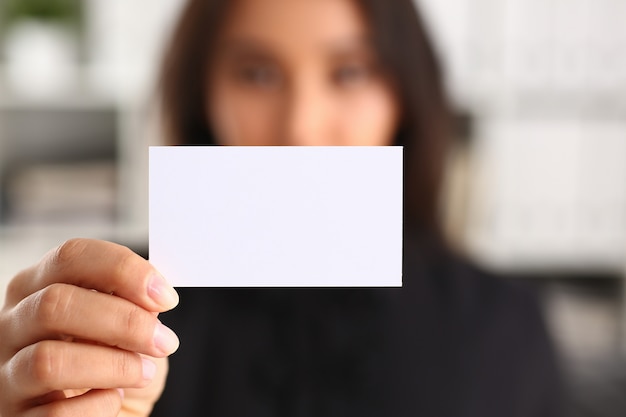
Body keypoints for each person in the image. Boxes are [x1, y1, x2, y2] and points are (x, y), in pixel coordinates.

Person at [0, 0, 563, 416]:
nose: (302, 126)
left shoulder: (503, 326)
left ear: (407, 96)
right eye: (258, 74)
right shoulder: (116, 315)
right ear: (204, 97)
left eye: (349, 72)